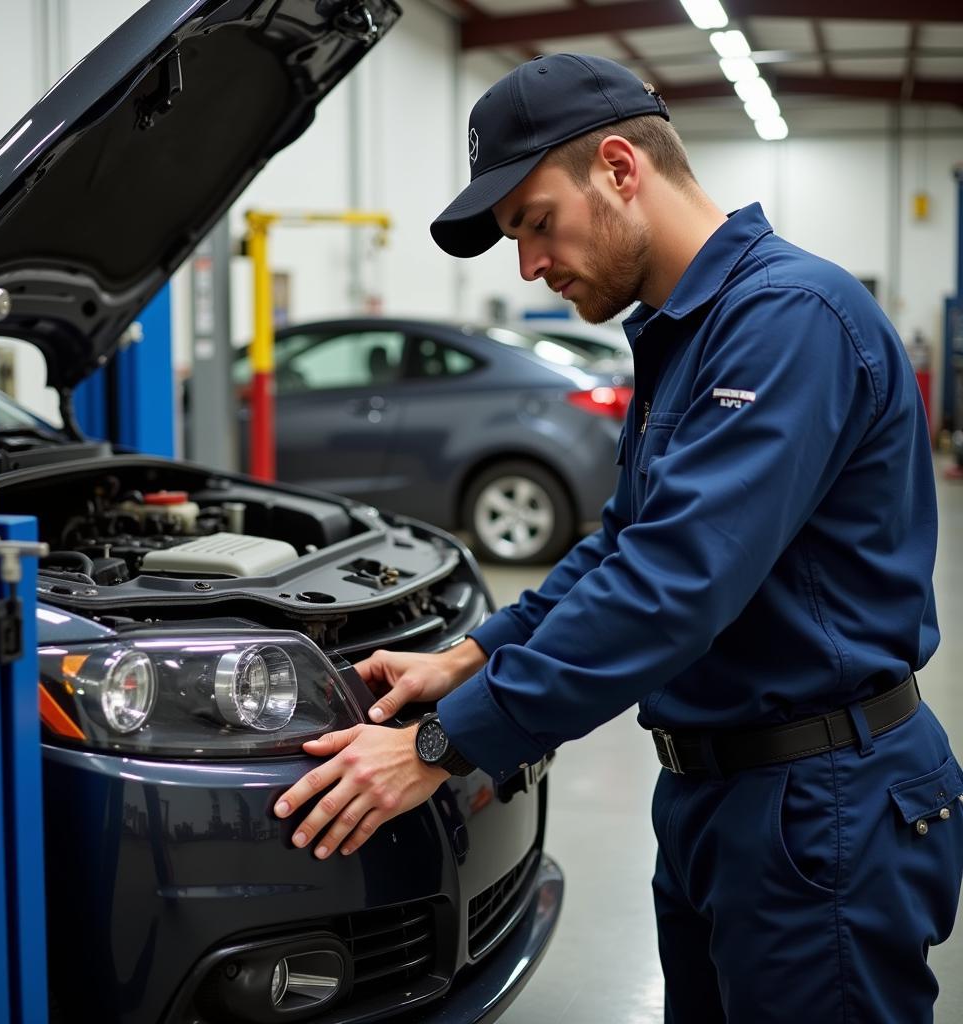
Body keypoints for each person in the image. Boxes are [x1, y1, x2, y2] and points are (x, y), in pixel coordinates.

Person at [274, 53, 963, 1021]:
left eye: (535, 222)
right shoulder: (689, 329)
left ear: (618, 167)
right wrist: (474, 653)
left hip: (820, 802)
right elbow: (626, 543)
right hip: (715, 790)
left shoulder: (785, 319)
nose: (528, 265)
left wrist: (441, 743)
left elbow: (677, 583)